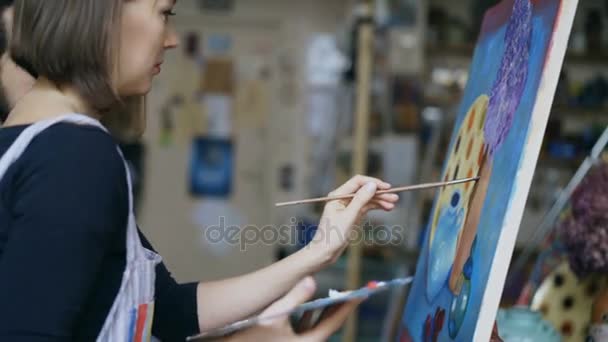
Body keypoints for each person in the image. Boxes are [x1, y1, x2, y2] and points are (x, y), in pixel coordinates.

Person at [0, 0, 399, 341]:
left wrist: (318, 252)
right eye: (165, 11)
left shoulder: (33, 143)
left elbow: (169, 310)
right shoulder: (75, 155)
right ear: (101, 13)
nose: (171, 38)